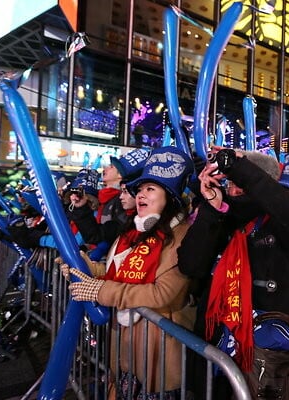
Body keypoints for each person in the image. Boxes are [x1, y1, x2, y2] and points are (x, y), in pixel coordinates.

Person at [178, 147, 289, 400]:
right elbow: (190, 265)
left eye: (240, 183)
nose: (233, 191)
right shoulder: (224, 220)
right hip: (214, 350)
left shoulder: (284, 226)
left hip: (262, 360)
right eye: (230, 183)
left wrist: (241, 168)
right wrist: (211, 208)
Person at [64, 146, 195, 399]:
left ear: (169, 197)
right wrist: (80, 266)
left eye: (150, 189)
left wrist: (102, 291)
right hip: (126, 350)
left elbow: (162, 294)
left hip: (159, 355)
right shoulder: (133, 232)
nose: (140, 195)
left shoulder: (182, 235)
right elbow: (117, 272)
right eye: (139, 189)